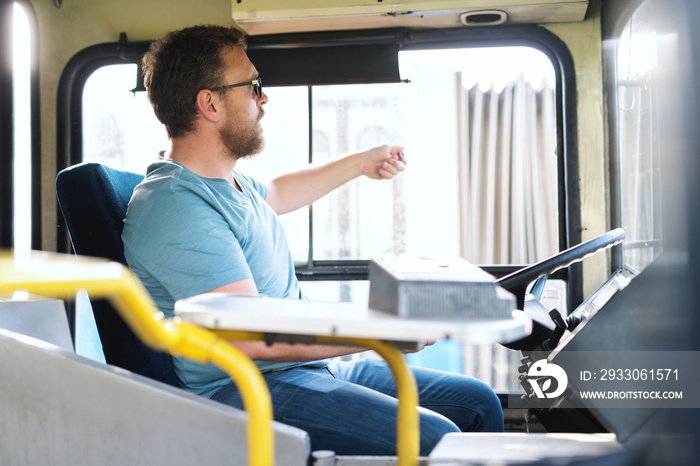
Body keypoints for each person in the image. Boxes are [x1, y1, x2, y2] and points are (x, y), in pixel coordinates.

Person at [122, 24, 503, 456]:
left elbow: (282, 192)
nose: (262, 98)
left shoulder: (228, 185)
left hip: (307, 367)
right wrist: (388, 332)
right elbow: (246, 336)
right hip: (248, 387)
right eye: (253, 86)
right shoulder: (175, 205)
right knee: (435, 439)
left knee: (477, 403)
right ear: (209, 103)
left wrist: (362, 162)